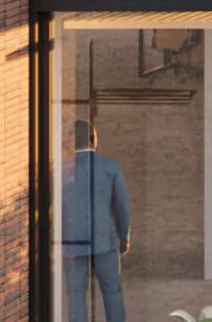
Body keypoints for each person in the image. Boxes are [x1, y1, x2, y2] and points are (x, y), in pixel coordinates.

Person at [59, 119, 131, 321]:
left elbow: (56, 210)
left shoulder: (61, 171)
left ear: (72, 143)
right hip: (105, 240)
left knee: (75, 295)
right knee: (112, 291)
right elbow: (122, 207)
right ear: (94, 140)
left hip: (72, 241)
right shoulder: (111, 167)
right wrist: (124, 236)